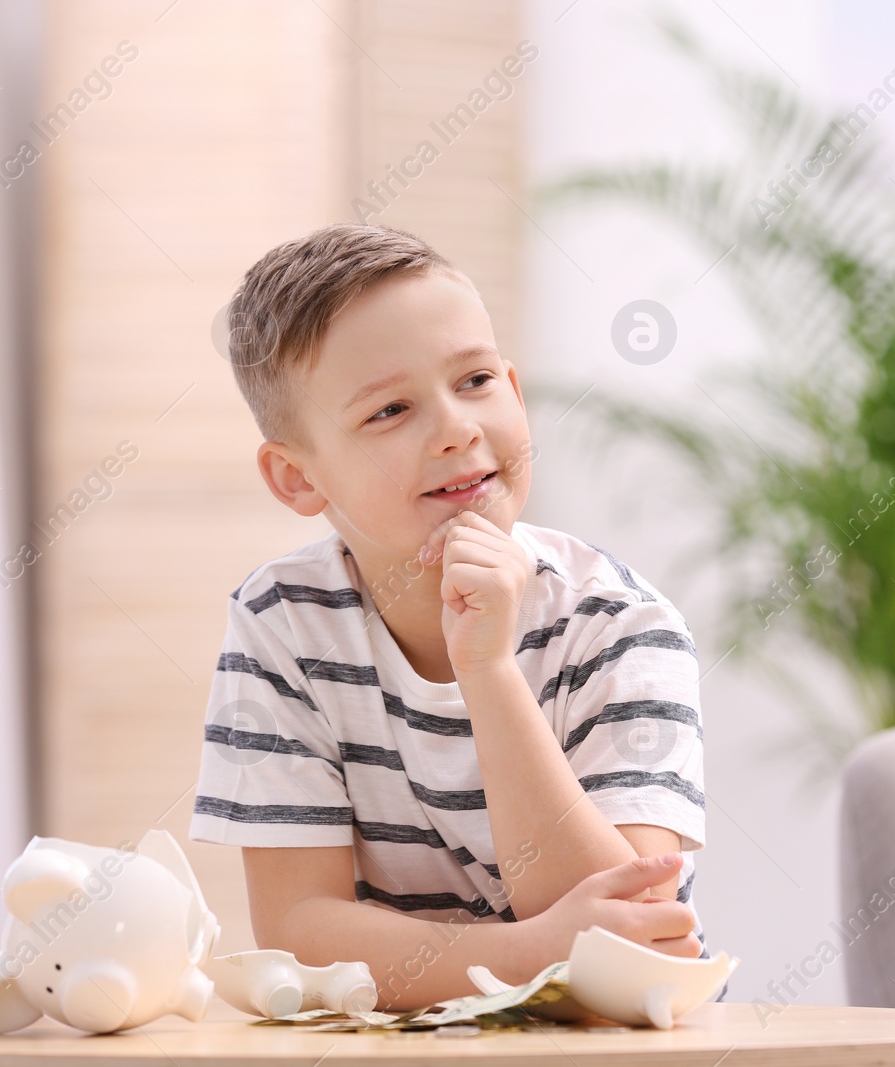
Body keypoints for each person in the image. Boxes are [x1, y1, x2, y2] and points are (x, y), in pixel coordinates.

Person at [187, 221, 708, 1011]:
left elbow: (623, 944)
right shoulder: (283, 622)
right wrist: (530, 952)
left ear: (514, 388)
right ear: (296, 477)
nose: (458, 429)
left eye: (474, 382)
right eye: (391, 409)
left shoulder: (621, 625)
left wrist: (489, 670)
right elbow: (298, 930)